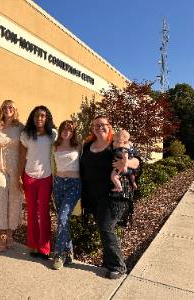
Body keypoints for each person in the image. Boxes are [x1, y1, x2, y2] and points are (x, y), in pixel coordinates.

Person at [80, 116, 139, 279]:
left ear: (110, 127)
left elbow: (137, 160)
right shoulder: (87, 146)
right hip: (94, 195)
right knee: (104, 227)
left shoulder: (117, 143)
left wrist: (126, 164)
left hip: (115, 193)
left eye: (104, 125)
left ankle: (118, 266)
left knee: (106, 226)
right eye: (96, 125)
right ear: (92, 128)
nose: (100, 127)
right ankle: (108, 261)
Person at [18, 105, 57, 259]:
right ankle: (33, 245)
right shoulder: (26, 135)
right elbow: (22, 156)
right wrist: (17, 177)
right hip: (29, 176)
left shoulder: (52, 135)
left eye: (42, 116)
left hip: (46, 177)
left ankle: (44, 248)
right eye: (36, 116)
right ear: (32, 118)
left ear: (46, 118)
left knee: (44, 213)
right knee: (32, 213)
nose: (39, 118)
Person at [0, 100, 24, 252]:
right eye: (5, 107)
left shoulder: (21, 127)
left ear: (15, 110)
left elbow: (24, 148)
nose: (7, 109)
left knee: (14, 200)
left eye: (10, 107)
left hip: (15, 167)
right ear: (1, 109)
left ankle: (9, 235)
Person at [51, 120, 81, 270]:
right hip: (58, 183)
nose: (66, 132)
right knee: (63, 219)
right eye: (64, 129)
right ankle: (69, 252)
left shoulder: (78, 146)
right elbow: (52, 166)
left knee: (63, 217)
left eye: (69, 130)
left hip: (73, 184)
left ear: (73, 132)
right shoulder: (55, 146)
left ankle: (59, 254)